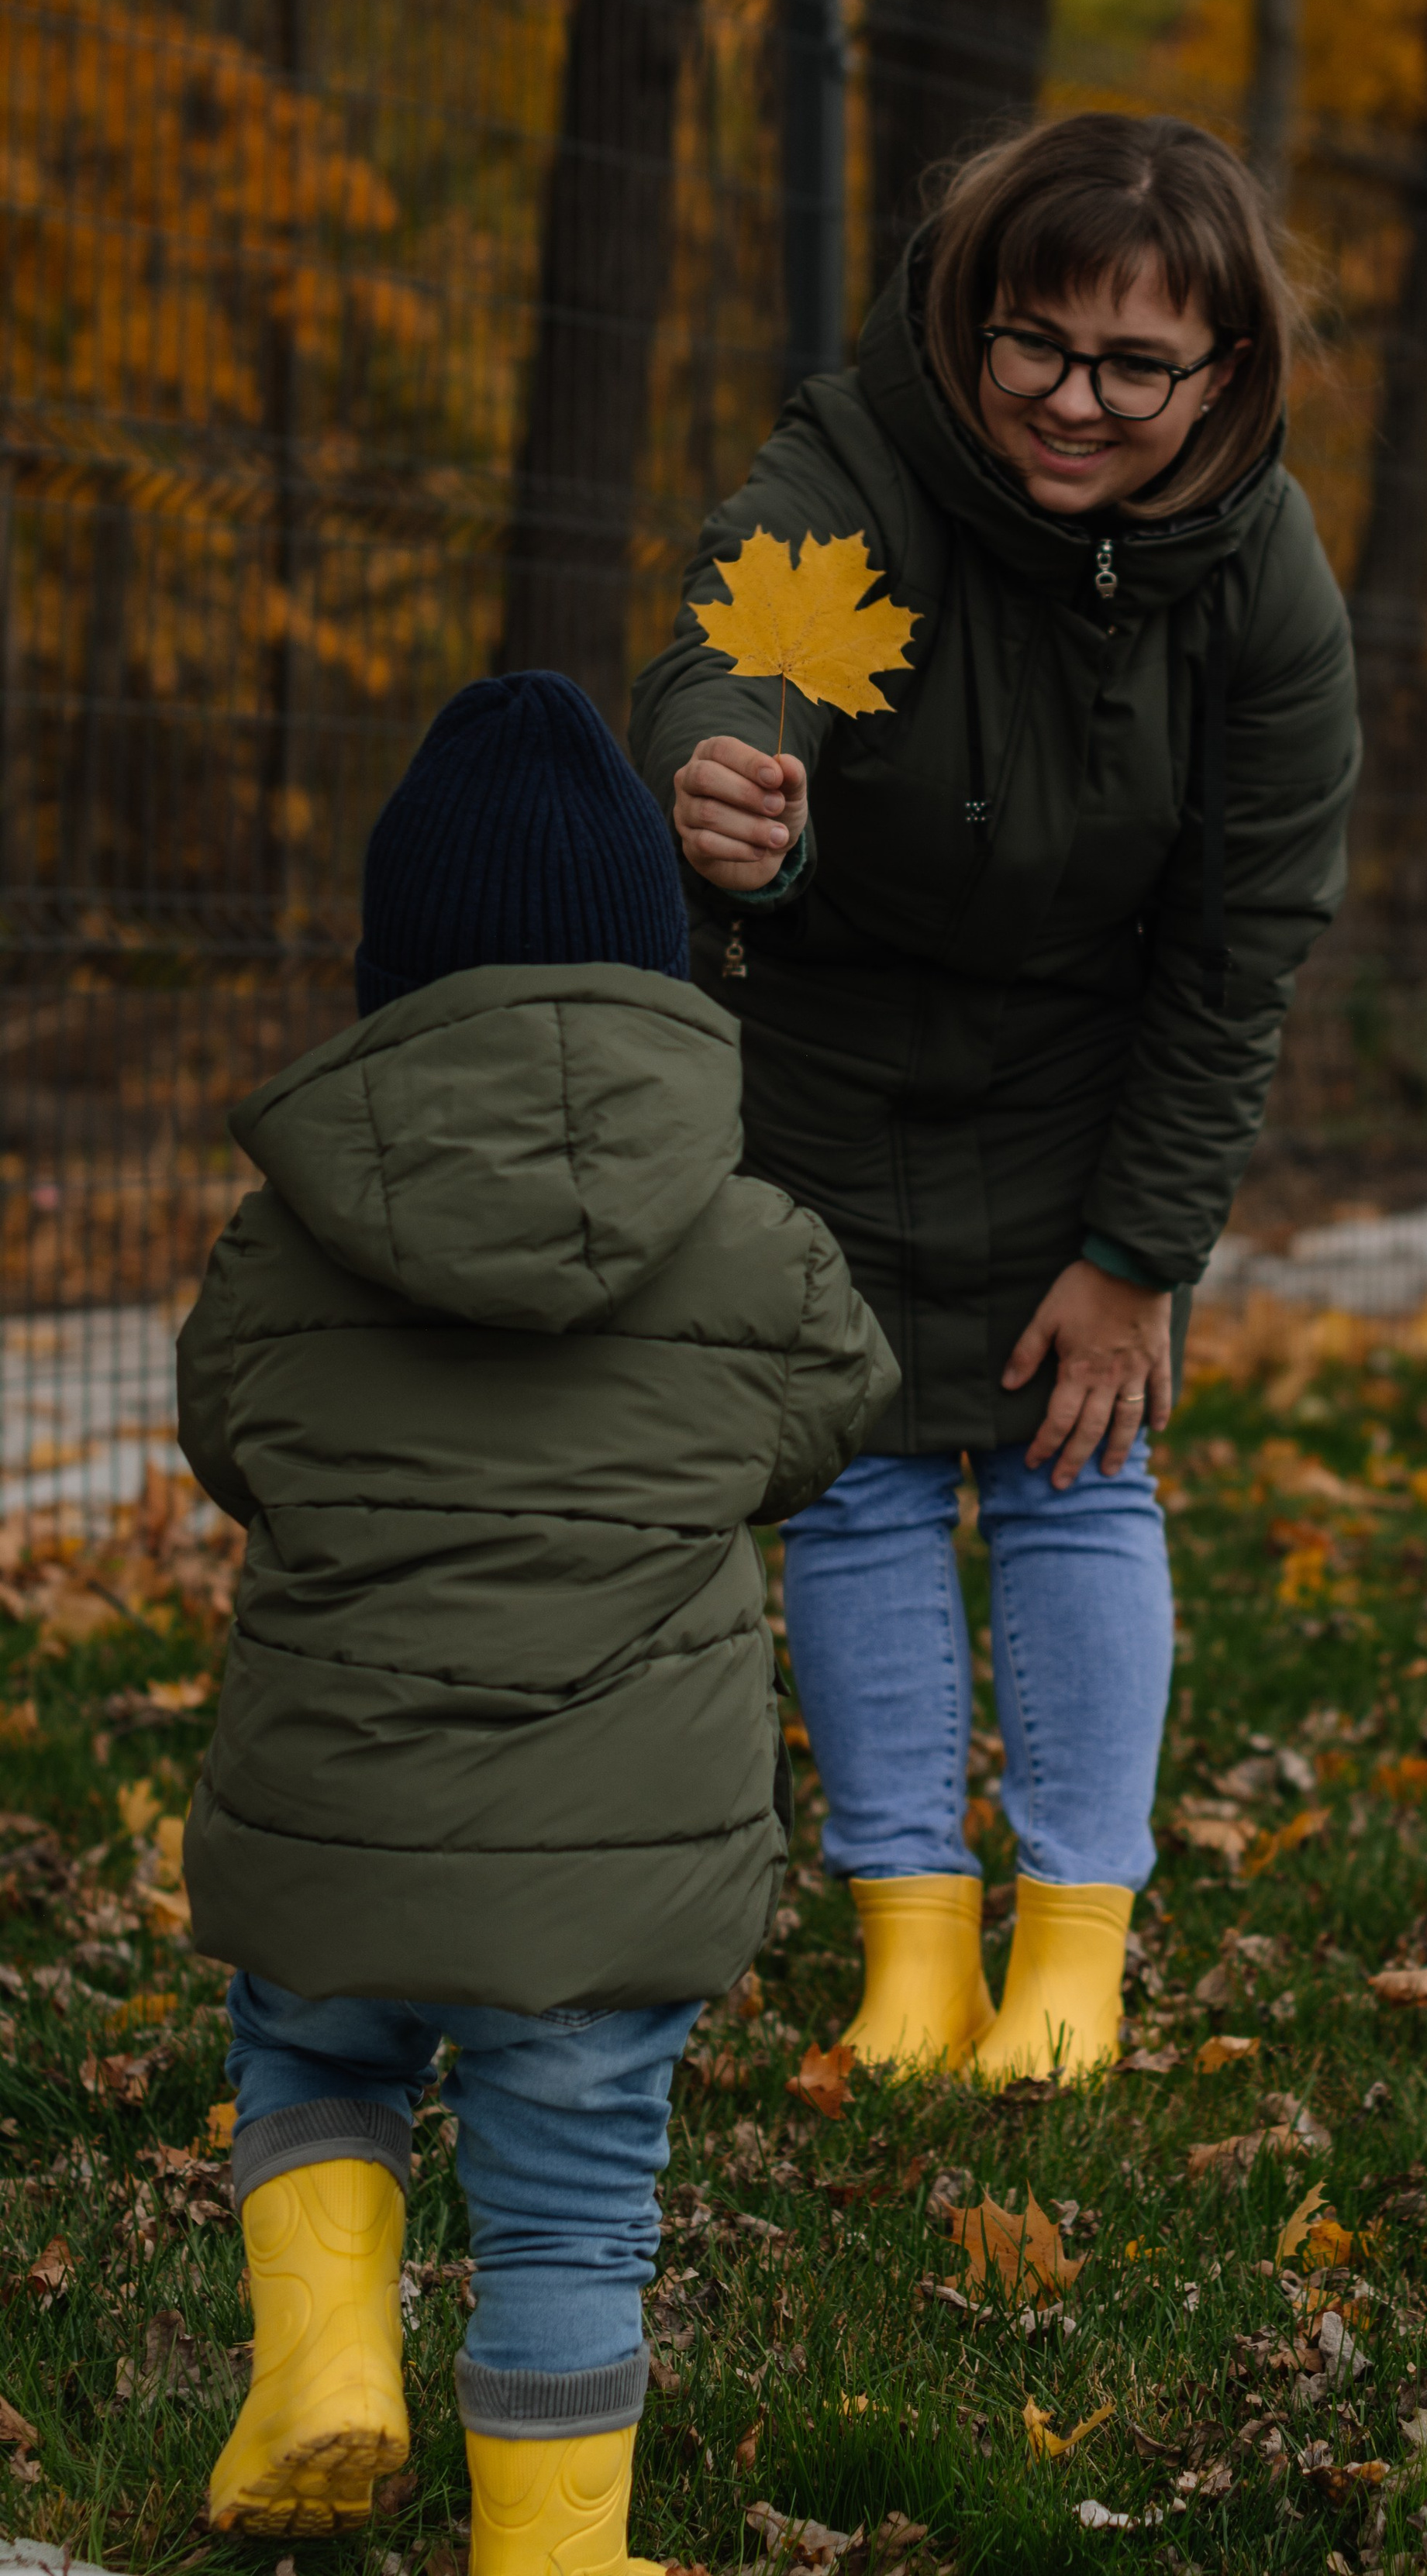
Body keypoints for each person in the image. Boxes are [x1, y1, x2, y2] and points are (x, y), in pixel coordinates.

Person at [632, 111, 1360, 2083]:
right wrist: (726, 780)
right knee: (859, 1474)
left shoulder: (1257, 578)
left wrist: (1138, 1253)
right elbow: (740, 654)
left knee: (1074, 1462)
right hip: (826, 1048)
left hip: (1088, 1060)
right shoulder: (862, 469)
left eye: (1135, 365)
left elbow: (1238, 947)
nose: (1070, 399)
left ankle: (1070, 1957)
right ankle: (910, 1945)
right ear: (971, 316)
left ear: (1220, 369)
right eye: (1033, 341)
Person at [176, 673, 895, 2569]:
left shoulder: (281, 1241)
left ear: (390, 977)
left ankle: (327, 2360)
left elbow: (229, 1443)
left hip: (334, 1821)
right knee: (573, 2213)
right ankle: (552, 2552)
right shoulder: (755, 1250)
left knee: (315, 2060)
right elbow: (823, 1428)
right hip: (609, 1869)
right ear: (649, 971)